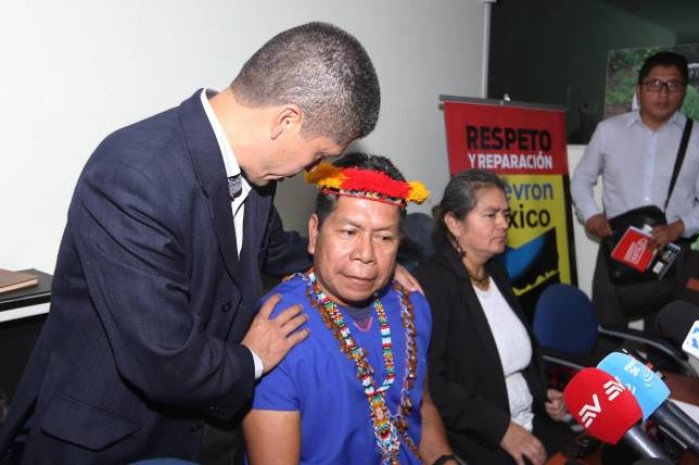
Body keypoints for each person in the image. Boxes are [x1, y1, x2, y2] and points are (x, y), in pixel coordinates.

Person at [0, 22, 382, 465]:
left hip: (193, 435)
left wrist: (363, 260)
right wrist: (253, 358)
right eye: (317, 155)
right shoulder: (134, 176)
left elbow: (273, 246)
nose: (307, 169)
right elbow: (165, 360)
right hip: (105, 443)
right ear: (287, 120)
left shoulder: (256, 170)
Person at [243, 153, 457, 465]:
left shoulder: (412, 303)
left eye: (384, 237)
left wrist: (445, 461)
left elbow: (420, 405)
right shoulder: (278, 329)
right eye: (349, 232)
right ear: (315, 233)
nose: (366, 255)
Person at [413, 169, 574, 465]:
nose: (503, 224)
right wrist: (502, 430)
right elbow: (434, 384)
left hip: (531, 418)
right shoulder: (432, 284)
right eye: (490, 215)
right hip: (481, 435)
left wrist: (541, 392)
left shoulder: (496, 272)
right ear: (454, 223)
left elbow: (513, 351)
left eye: (505, 214)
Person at [571, 51, 699, 337]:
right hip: (617, 249)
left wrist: (678, 227)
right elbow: (581, 179)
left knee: (667, 342)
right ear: (639, 90)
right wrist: (590, 214)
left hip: (671, 253)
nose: (662, 93)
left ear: (684, 91)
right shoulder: (608, 131)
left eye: (672, 85)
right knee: (608, 336)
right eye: (654, 84)